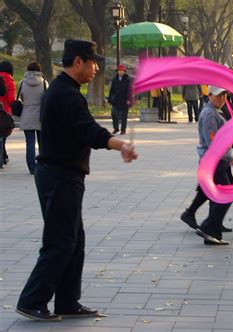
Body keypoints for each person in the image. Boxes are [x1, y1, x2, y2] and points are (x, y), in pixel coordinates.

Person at [16, 39, 137, 322]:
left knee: (74, 239)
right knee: (60, 241)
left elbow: (83, 129)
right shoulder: (66, 95)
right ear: (79, 62)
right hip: (60, 176)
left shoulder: (64, 91)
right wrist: (120, 145)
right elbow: (88, 130)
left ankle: (67, 301)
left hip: (62, 175)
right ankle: (32, 299)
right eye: (93, 62)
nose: (96, 68)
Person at [188, 86, 233, 245]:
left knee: (218, 195)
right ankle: (208, 228)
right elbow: (213, 142)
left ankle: (214, 232)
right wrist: (229, 157)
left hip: (217, 161)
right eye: (218, 95)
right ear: (209, 95)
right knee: (226, 195)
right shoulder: (210, 114)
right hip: (214, 161)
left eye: (224, 95)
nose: (222, 98)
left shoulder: (215, 111)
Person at [19, 62, 49, 174]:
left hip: (27, 114)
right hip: (41, 116)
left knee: (30, 143)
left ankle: (32, 167)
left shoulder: (22, 83)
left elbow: (21, 97)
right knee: (42, 142)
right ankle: (42, 164)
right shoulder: (44, 83)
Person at [108, 64, 132, 135]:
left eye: (122, 70)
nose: (120, 72)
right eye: (119, 70)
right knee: (114, 115)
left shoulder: (128, 79)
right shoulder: (114, 79)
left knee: (124, 116)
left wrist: (128, 99)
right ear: (117, 71)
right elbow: (112, 90)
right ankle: (116, 128)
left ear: (124, 71)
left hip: (124, 100)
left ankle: (123, 130)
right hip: (116, 100)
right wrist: (109, 99)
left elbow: (129, 90)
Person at [0, 61, 16, 167]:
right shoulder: (10, 81)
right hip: (5, 111)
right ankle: (2, 157)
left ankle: (3, 155)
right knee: (3, 135)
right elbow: (11, 99)